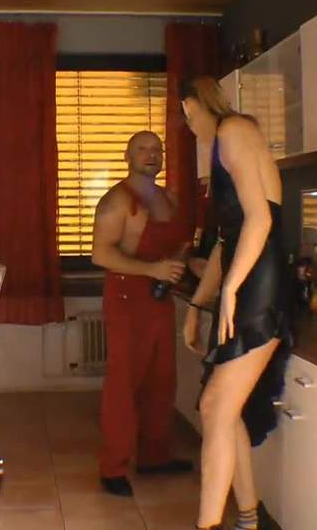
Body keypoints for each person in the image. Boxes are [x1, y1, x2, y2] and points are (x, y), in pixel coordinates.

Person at [180, 76, 292, 530]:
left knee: (215, 408)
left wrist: (230, 291)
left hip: (261, 283)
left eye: (190, 114)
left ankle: (211, 525)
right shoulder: (221, 147)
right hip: (247, 279)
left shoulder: (234, 129)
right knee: (223, 413)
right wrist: (196, 305)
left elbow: (260, 219)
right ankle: (248, 518)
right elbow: (228, 242)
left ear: (205, 104)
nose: (189, 125)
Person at [91, 130, 194, 497]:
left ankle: (154, 457)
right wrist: (153, 270)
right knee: (124, 383)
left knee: (161, 380)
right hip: (126, 297)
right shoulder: (117, 201)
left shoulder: (169, 199)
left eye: (157, 149)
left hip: (160, 298)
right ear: (127, 156)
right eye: (142, 149)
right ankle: (113, 468)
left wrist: (183, 260)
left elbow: (180, 244)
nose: (151, 155)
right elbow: (101, 254)